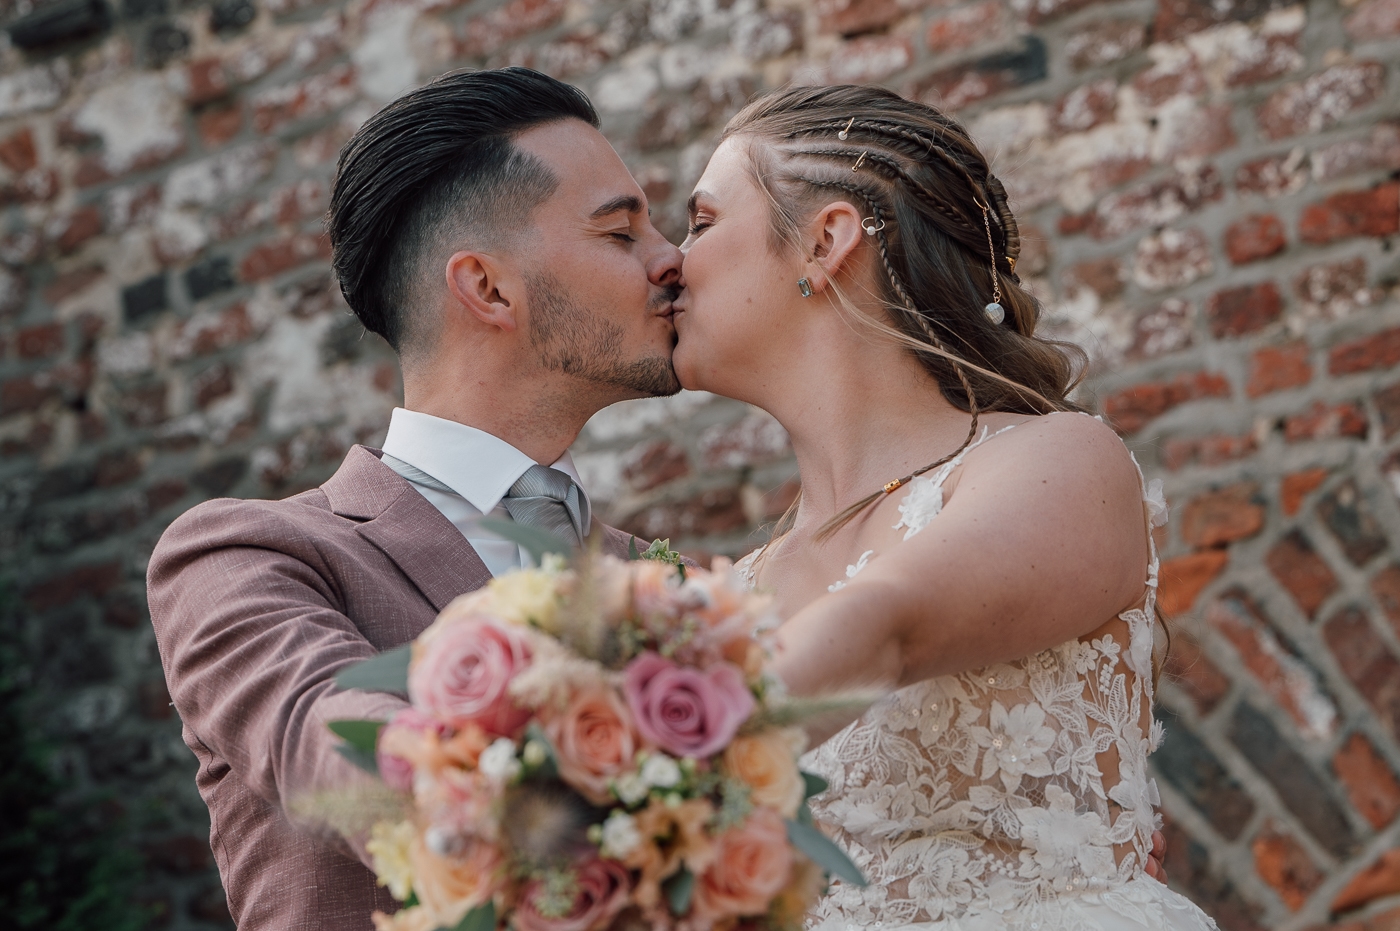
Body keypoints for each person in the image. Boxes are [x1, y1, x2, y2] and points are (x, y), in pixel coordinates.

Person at [146, 68, 684, 931]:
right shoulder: (249, 555)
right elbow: (335, 741)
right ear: (488, 288)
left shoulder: (663, 582)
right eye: (622, 232)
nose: (671, 258)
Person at [670, 84, 1210, 930]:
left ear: (826, 240)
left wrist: (642, 764)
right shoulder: (734, 585)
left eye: (701, 223)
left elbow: (891, 622)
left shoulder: (1054, 459)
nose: (672, 262)